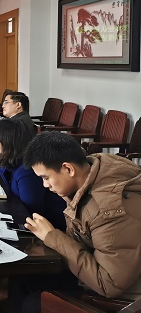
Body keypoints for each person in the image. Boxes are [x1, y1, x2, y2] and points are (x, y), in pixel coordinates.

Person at [18, 132, 141, 310]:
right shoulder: (96, 167)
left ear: (68, 169)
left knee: (33, 303)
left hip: (125, 297)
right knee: (24, 277)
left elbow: (108, 284)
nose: (45, 185)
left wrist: (53, 237)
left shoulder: (110, 210)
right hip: (102, 271)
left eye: (46, 178)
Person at [0, 120, 66, 230]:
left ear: (6, 140)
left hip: (49, 226)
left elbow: (32, 211)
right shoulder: (8, 161)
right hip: (25, 217)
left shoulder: (27, 171)